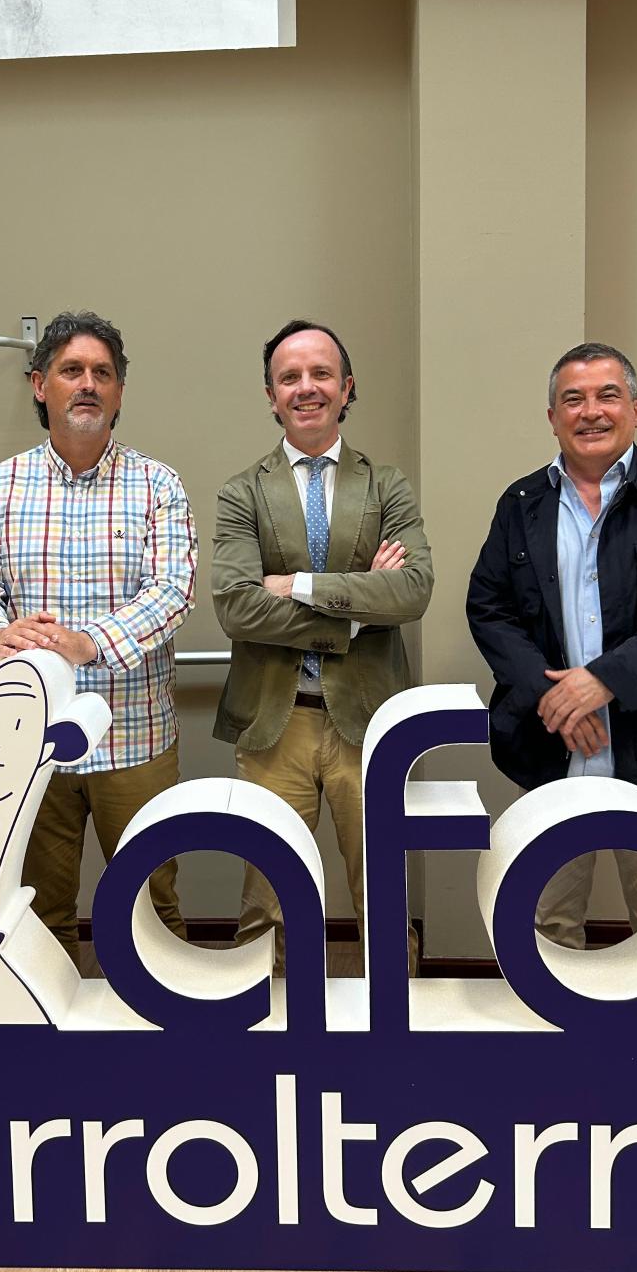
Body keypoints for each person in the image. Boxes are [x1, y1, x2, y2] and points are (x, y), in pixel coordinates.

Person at [466, 341, 637, 948]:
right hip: (551, 747)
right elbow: (489, 607)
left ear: (635, 409)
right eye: (573, 399)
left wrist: (603, 681)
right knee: (544, 927)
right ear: (553, 417)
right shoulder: (522, 504)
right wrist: (552, 696)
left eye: (607, 395)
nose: (591, 411)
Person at [0, 310, 196, 963]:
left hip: (134, 736)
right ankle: (51, 1027)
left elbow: (173, 591)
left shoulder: (158, 485)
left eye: (102, 373)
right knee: (38, 910)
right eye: (71, 370)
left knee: (152, 903)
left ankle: (160, 1025)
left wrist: (90, 643)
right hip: (31, 738)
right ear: (40, 385)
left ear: (118, 391)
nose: (87, 384)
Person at [212, 318, 433, 972]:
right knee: (266, 902)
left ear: (346, 387)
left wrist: (298, 585)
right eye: (290, 377)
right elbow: (235, 606)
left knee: (384, 897)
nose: (306, 387)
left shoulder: (386, 484)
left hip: (368, 723)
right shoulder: (242, 492)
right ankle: (262, 1022)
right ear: (271, 395)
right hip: (275, 725)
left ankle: (399, 1023)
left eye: (321, 374)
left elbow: (412, 591)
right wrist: (356, 612)